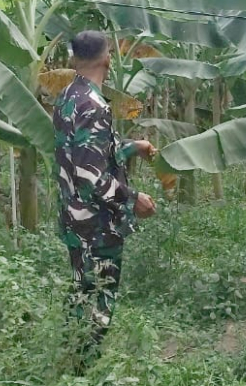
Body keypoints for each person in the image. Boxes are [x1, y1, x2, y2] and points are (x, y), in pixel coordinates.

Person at [53, 30, 157, 365]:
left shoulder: (68, 97)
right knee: (99, 299)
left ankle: (71, 358)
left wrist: (132, 147)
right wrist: (133, 198)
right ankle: (85, 367)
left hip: (74, 221)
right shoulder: (94, 105)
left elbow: (86, 155)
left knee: (80, 294)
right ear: (107, 58)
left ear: (73, 59)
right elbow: (92, 178)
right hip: (97, 227)